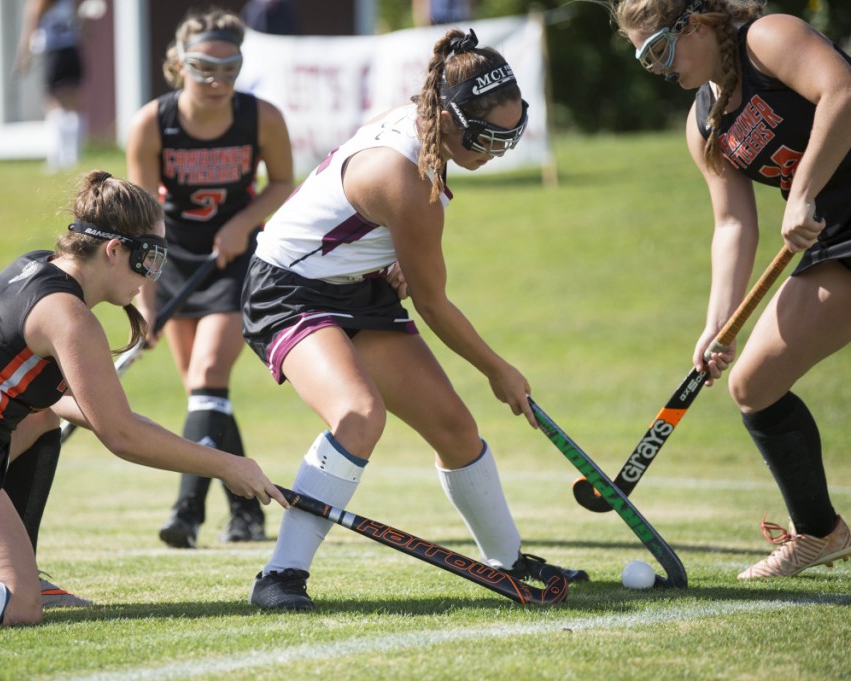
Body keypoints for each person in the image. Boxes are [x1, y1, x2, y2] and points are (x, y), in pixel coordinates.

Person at [0, 170, 287, 644]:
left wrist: (157, 435)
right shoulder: (68, 316)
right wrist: (227, 465)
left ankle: (20, 566)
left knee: (41, 414)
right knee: (16, 604)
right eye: (151, 257)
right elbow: (121, 435)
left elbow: (79, 408)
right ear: (114, 250)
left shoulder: (35, 268)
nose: (154, 274)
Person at [240, 28, 588, 610]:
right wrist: (498, 370)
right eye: (487, 137)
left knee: (454, 429)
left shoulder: (426, 127)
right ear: (448, 119)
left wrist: (390, 254)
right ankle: (279, 576)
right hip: (288, 290)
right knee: (358, 414)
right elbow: (432, 304)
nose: (496, 150)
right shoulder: (409, 180)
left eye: (513, 133)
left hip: (358, 287)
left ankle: (508, 561)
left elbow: (382, 240)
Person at [609, 0, 851, 578]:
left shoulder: (767, 40)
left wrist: (802, 192)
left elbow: (842, 92)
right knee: (753, 384)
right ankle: (820, 533)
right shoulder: (704, 123)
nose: (660, 69)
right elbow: (733, 223)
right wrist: (720, 322)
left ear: (694, 25)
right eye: (646, 62)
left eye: (659, 51)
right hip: (833, 235)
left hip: (819, 218)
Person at [126, 9, 294, 549]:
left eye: (230, 67)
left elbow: (284, 182)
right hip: (175, 264)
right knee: (206, 395)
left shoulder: (260, 117)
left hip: (238, 264)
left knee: (206, 376)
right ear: (179, 64)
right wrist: (145, 300)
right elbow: (144, 218)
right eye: (204, 67)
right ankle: (247, 513)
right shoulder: (153, 123)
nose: (218, 80)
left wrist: (244, 223)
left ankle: (187, 513)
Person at [15, 0, 89, 171]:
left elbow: (30, 27)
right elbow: (84, 30)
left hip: (55, 53)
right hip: (72, 52)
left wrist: (23, 56)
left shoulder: (40, 3)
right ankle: (73, 155)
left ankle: (58, 157)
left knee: (54, 103)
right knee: (73, 103)